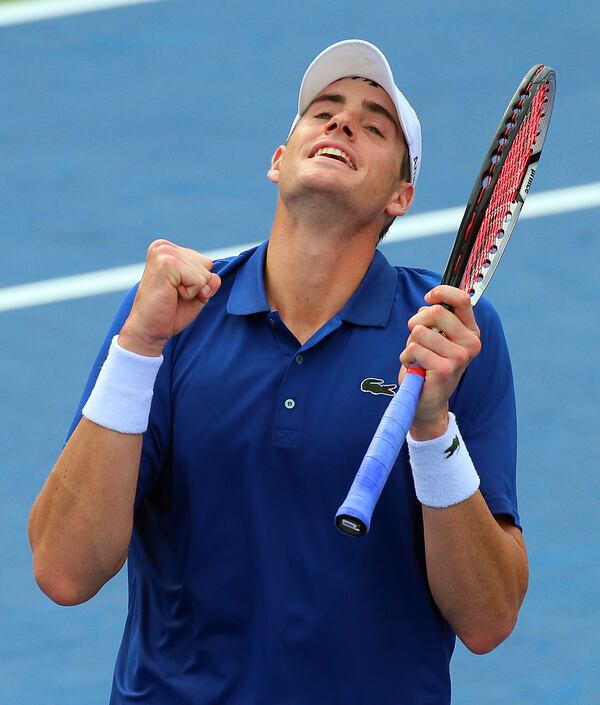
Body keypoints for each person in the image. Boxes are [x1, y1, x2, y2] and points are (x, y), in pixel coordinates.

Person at [28, 39, 528, 704]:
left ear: (400, 195)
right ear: (277, 161)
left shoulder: (455, 337)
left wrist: (433, 427)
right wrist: (138, 344)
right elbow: (63, 570)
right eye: (324, 111)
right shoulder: (170, 318)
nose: (343, 122)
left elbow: (489, 618)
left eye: (374, 125)